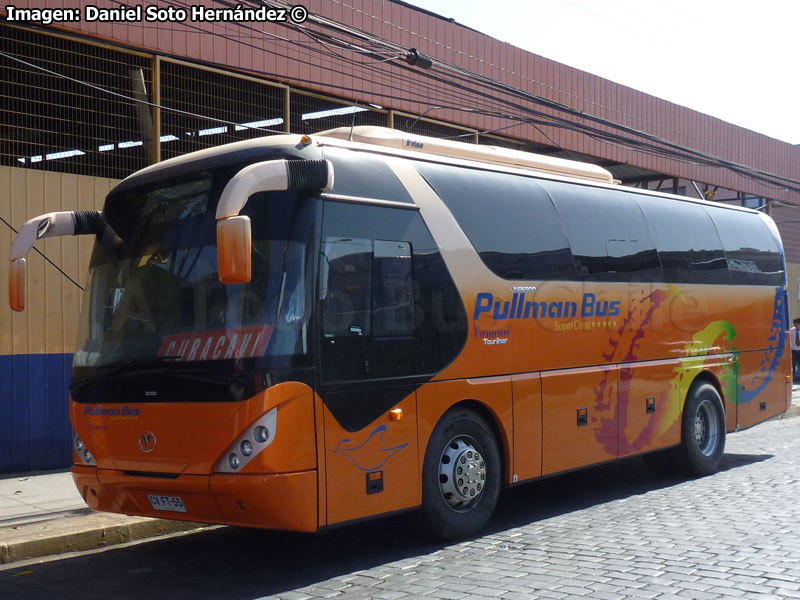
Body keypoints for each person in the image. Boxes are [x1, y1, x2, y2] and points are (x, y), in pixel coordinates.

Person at [792, 318, 800, 382]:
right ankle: (793, 379)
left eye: (797, 324)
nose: (795, 326)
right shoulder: (791, 330)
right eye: (794, 324)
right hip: (793, 351)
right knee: (793, 365)